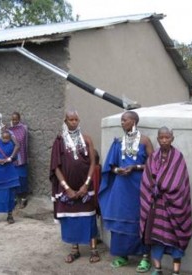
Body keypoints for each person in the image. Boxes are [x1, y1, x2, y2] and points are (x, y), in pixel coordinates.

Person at [98, 110, 153, 272]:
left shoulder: (145, 141)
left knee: (141, 220)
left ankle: (145, 258)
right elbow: (111, 166)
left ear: (134, 122)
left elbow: (153, 165)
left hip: (139, 188)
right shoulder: (118, 142)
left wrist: (135, 167)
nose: (122, 123)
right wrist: (117, 171)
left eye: (125, 120)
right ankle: (122, 255)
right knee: (119, 219)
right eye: (121, 120)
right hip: (121, 188)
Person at [140, 127, 192, 275]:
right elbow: (147, 179)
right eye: (161, 138)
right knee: (155, 239)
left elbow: (179, 182)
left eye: (167, 137)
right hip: (155, 206)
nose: (164, 140)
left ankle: (176, 272)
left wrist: (161, 186)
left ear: (172, 139)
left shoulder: (178, 158)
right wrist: (154, 190)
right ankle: (158, 269)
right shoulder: (153, 157)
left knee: (175, 239)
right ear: (157, 139)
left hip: (173, 208)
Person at [50, 110, 100, 264]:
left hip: (85, 187)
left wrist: (86, 185)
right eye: (70, 120)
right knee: (71, 219)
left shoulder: (87, 139)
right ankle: (75, 250)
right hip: (67, 188)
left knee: (88, 218)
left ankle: (93, 249)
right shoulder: (59, 141)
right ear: (65, 121)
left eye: (76, 119)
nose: (73, 122)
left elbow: (93, 163)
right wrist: (67, 188)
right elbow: (56, 167)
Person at [9, 112, 29, 209]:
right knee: (14, 178)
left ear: (19, 119)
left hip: (22, 158)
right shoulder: (9, 130)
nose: (14, 121)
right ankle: (16, 198)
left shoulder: (23, 128)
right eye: (13, 119)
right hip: (13, 159)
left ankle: (24, 198)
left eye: (16, 119)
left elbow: (20, 141)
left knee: (23, 178)